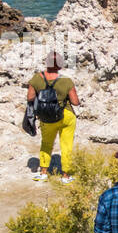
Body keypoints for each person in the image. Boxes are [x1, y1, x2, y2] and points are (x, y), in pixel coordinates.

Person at [27, 51, 80, 183]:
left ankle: (44, 172)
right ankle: (65, 176)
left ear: (47, 63)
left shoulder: (36, 79)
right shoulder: (66, 81)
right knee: (66, 145)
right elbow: (75, 102)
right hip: (65, 116)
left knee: (46, 143)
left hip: (46, 117)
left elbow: (30, 97)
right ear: (60, 65)